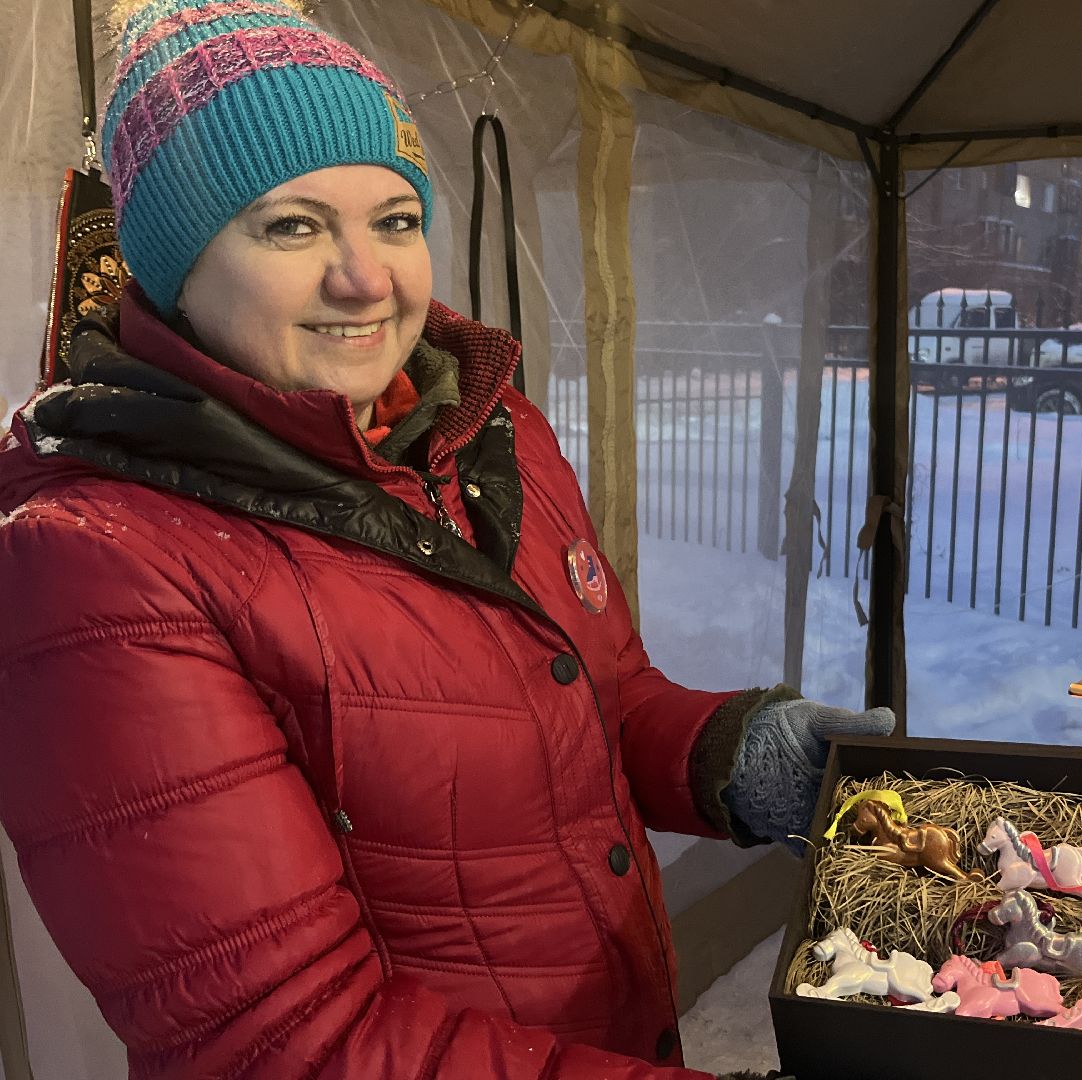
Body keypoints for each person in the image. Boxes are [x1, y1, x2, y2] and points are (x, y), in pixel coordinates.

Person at [0, 2, 892, 1077]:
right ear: (173, 264)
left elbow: (592, 704)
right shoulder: (98, 562)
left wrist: (731, 757)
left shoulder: (487, 431)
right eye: (291, 225)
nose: (367, 277)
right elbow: (290, 1045)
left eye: (394, 217)